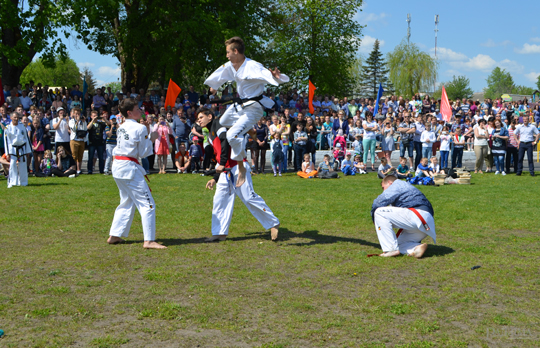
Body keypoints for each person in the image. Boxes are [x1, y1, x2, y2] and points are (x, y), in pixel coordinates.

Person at [204, 36, 289, 188]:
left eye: (228, 52)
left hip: (254, 108)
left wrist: (277, 77)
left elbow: (269, 75)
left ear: (236, 51)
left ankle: (241, 166)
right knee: (222, 122)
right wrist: (210, 91)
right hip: (240, 106)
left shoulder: (253, 66)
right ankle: (248, 129)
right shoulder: (231, 65)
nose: (226, 55)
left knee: (231, 135)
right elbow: (219, 76)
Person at [197, 107, 280, 242]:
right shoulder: (210, 131)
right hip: (225, 171)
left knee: (248, 197)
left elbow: (225, 140)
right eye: (198, 118)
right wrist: (215, 178)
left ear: (210, 117)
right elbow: (219, 155)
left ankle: (273, 223)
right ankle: (219, 233)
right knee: (219, 200)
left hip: (238, 167)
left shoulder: (218, 124)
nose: (199, 120)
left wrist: (223, 162)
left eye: (201, 117)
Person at [107, 99, 166, 249]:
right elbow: (144, 152)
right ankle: (149, 240)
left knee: (127, 200)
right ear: (129, 112)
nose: (140, 110)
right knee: (148, 204)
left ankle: (115, 235)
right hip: (128, 167)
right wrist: (149, 136)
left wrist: (146, 134)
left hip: (118, 166)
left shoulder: (121, 126)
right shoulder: (139, 128)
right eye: (137, 108)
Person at [370, 174, 437, 258]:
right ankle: (415, 248)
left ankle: (390, 250)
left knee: (379, 212)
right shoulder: (406, 187)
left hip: (417, 215)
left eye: (383, 188)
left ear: (390, 183)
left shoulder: (397, 184)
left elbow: (378, 202)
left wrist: (374, 218)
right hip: (426, 224)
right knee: (397, 244)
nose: (383, 191)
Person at [4, 112, 32, 188]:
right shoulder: (8, 128)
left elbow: (26, 138)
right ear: (11, 118)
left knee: (23, 165)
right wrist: (7, 153)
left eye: (17, 117)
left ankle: (23, 182)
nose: (16, 119)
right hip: (12, 149)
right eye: (15, 117)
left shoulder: (22, 126)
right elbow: (6, 141)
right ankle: (13, 182)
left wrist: (28, 151)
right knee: (12, 165)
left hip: (22, 148)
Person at [87, 110, 107, 174]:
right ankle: (90, 170)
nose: (95, 117)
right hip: (92, 142)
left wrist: (104, 119)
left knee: (101, 157)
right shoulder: (90, 123)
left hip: (100, 142)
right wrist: (93, 120)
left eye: (96, 116)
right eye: (94, 116)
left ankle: (101, 170)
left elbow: (108, 124)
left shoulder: (100, 123)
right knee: (90, 157)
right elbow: (88, 128)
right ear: (91, 116)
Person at [68, 108, 87, 175]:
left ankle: (79, 169)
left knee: (80, 156)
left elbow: (85, 129)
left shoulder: (83, 121)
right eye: (76, 114)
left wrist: (84, 122)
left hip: (81, 140)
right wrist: (77, 122)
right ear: (73, 114)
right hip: (74, 140)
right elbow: (73, 129)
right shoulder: (71, 121)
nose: (77, 115)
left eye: (78, 114)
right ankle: (74, 169)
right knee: (74, 155)